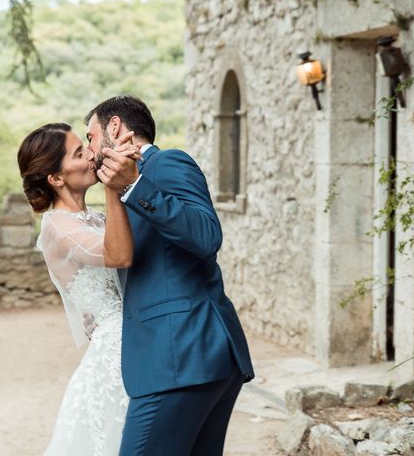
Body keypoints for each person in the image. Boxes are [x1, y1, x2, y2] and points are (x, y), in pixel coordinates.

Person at [86, 95, 255, 456]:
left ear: (114, 127)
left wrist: (134, 186)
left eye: (91, 137)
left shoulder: (166, 163)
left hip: (183, 352)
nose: (89, 150)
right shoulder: (121, 187)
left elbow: (207, 236)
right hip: (182, 357)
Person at [17, 122, 139, 455]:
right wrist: (113, 188)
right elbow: (119, 254)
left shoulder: (95, 219)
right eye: (78, 153)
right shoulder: (58, 226)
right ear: (56, 179)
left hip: (132, 339)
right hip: (115, 352)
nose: (90, 155)